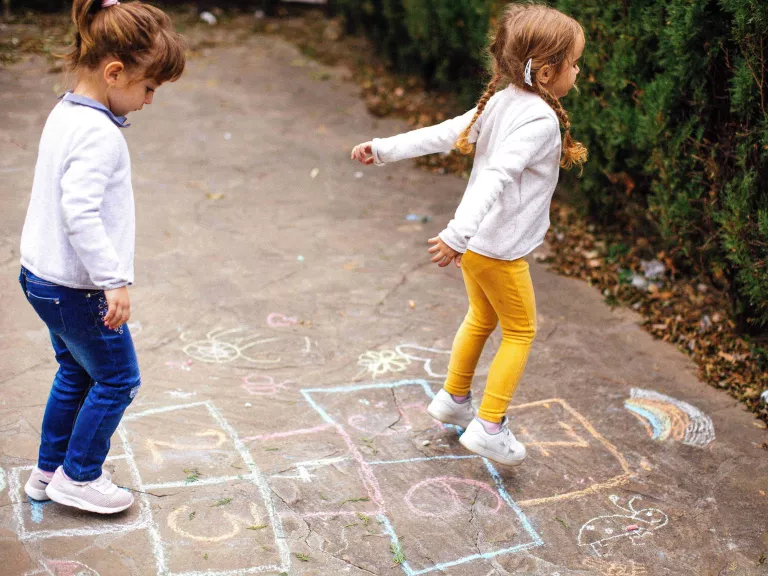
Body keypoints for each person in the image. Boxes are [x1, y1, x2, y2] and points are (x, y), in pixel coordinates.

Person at [351, 3, 587, 466]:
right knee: (521, 330)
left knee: (481, 318)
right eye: (574, 63)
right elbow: (495, 175)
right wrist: (457, 233)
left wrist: (383, 150)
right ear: (546, 72)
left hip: (480, 248)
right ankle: (490, 425)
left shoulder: (504, 102)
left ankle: (453, 400)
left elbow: (446, 134)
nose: (578, 71)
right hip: (495, 250)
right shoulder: (537, 119)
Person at [19, 0, 185, 512]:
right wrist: (113, 280)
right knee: (119, 379)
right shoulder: (100, 135)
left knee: (76, 372)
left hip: (40, 276)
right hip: (77, 287)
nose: (150, 100)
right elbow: (81, 214)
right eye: (148, 87)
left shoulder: (66, 110)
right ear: (115, 73)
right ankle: (80, 476)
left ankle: (49, 471)